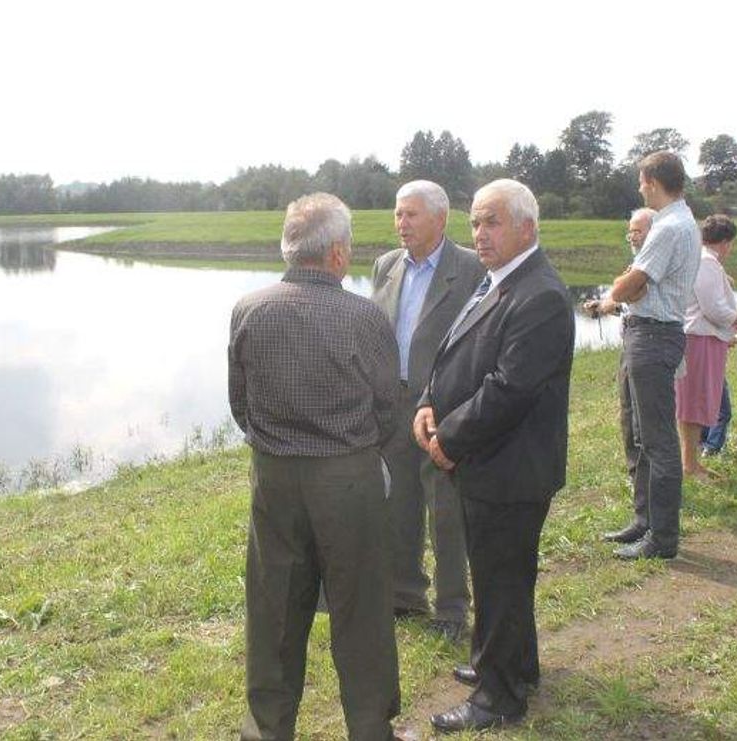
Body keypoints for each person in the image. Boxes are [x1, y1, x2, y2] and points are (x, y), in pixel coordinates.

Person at [228, 193, 402, 740]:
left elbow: (241, 404)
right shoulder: (364, 317)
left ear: (290, 248)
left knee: (274, 610)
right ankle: (370, 729)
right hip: (347, 479)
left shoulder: (249, 309)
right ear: (336, 254)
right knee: (361, 611)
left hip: (274, 479)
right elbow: (387, 407)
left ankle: (266, 731)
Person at [415, 179, 573, 733]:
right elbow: (453, 354)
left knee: (501, 581)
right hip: (490, 461)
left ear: (527, 228)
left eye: (492, 222)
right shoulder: (498, 281)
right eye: (475, 223)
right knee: (501, 577)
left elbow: (509, 390)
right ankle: (511, 664)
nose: (479, 234)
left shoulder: (541, 296)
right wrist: (429, 402)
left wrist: (448, 440)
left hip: (510, 467)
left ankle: (498, 699)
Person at [371, 180, 484, 641]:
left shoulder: (472, 268)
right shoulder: (385, 266)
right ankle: (405, 594)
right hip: (393, 403)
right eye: (398, 214)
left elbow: (481, 341)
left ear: (440, 219)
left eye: (411, 215)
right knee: (399, 502)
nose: (402, 224)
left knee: (446, 508)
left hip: (443, 407)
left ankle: (452, 608)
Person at [601, 151, 701, 559]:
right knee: (642, 435)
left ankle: (662, 540)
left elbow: (635, 283)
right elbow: (639, 285)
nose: (640, 187)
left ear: (653, 181)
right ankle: (644, 521)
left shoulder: (670, 226)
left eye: (642, 181)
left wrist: (614, 293)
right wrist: (629, 286)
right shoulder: (677, 222)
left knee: (658, 442)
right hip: (652, 333)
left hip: (653, 335)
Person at [675, 215, 737, 479]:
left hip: (701, 337)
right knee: (694, 402)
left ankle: (691, 461)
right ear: (726, 242)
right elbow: (714, 309)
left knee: (694, 401)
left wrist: (730, 327)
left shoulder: (698, 259)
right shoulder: (707, 262)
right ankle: (690, 464)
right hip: (699, 340)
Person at [583, 207, 655, 485]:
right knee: (628, 410)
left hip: (647, 344)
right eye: (630, 232)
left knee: (641, 414)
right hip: (633, 340)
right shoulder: (638, 263)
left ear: (654, 232)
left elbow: (631, 293)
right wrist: (603, 306)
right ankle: (637, 474)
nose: (632, 237)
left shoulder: (650, 264)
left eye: (637, 231)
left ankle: (647, 478)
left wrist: (612, 296)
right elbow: (629, 302)